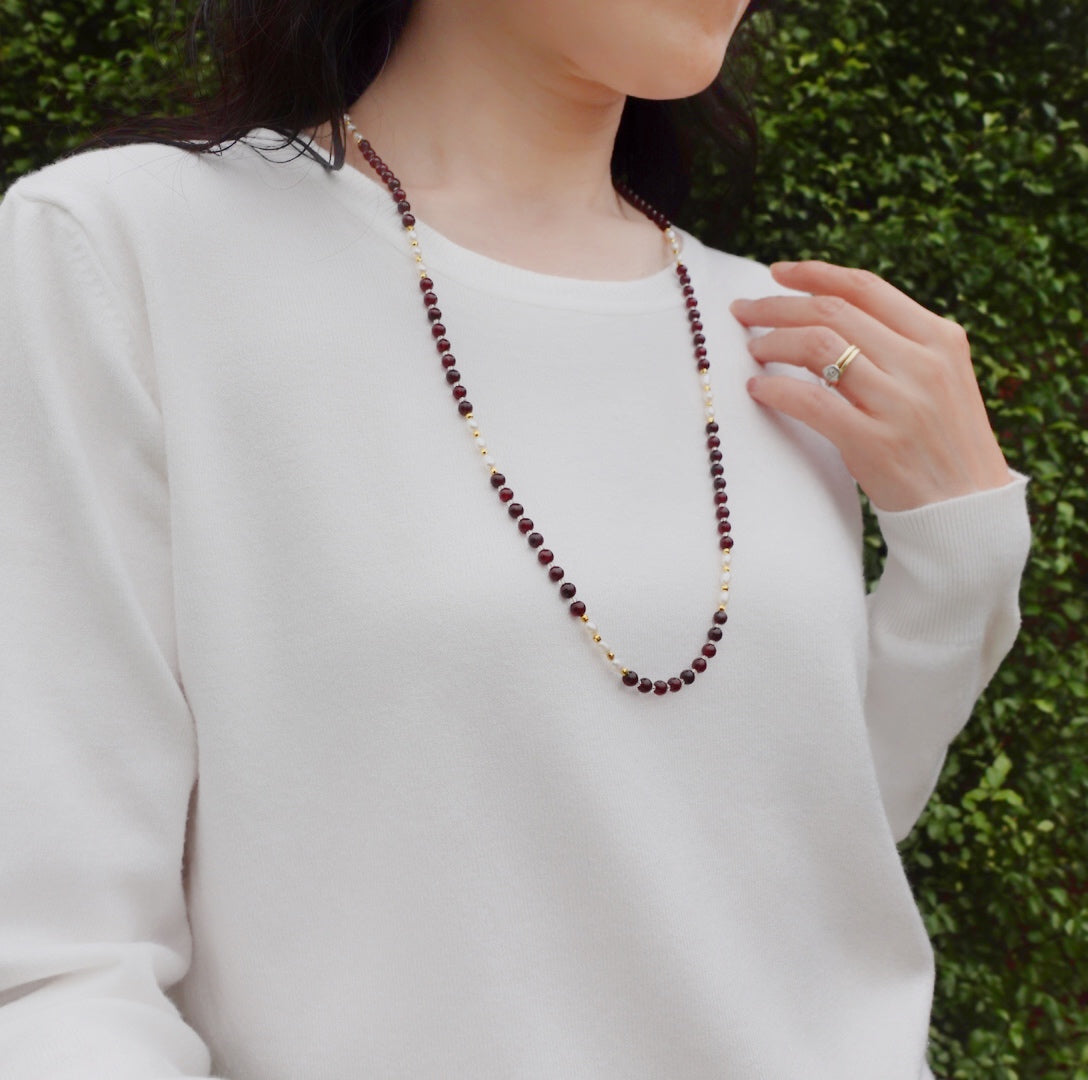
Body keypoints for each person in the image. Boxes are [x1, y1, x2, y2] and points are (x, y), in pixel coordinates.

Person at [0, 0, 1031, 1076]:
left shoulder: (779, 341)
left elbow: (785, 871)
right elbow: (58, 968)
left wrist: (959, 553)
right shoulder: (133, 251)